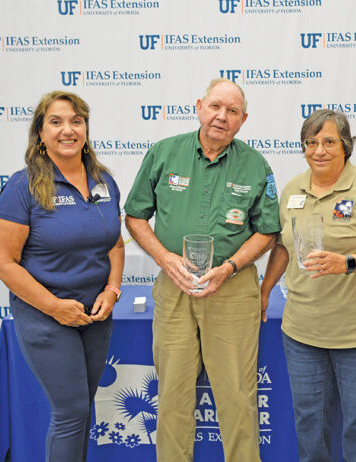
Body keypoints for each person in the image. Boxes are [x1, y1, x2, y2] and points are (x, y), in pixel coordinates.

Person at [124, 78, 280, 462]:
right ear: (198, 106)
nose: (221, 117)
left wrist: (230, 266)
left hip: (232, 289)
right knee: (173, 395)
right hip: (174, 287)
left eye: (231, 111)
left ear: (243, 120)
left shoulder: (256, 165)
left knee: (237, 398)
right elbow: (135, 216)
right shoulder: (164, 153)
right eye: (215, 107)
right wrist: (164, 259)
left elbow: (268, 231)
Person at [260, 109, 356, 462]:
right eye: (311, 142)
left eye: (329, 142)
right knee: (310, 423)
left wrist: (347, 263)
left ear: (346, 146)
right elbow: (282, 245)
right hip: (303, 332)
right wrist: (265, 289)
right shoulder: (293, 188)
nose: (319, 150)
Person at [0, 91, 125, 462]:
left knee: (82, 411)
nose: (68, 129)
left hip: (95, 316)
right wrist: (53, 306)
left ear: (85, 129)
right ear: (40, 133)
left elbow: (115, 244)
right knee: (70, 414)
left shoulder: (103, 181)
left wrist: (112, 290)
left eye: (76, 121)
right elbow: (2, 261)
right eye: (57, 121)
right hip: (46, 316)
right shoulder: (23, 186)